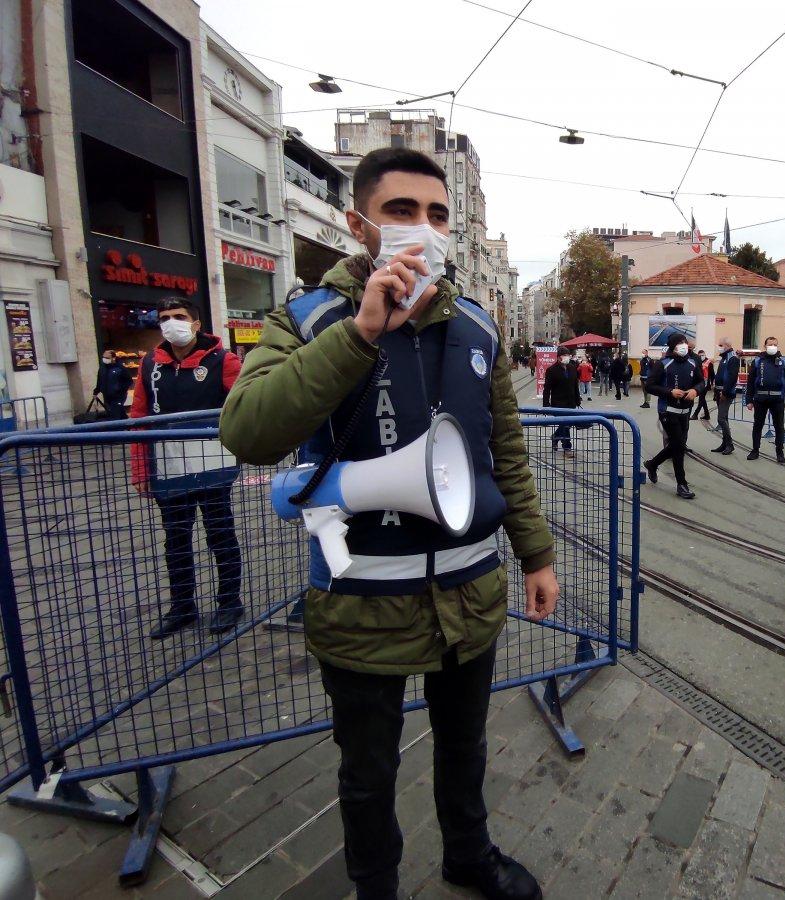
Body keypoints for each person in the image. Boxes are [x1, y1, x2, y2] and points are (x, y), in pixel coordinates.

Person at [219, 147, 557, 900]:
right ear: (359, 224)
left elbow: (504, 452)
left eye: (438, 215)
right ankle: (376, 888)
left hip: (470, 591)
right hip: (361, 600)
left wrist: (535, 554)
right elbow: (247, 431)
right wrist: (360, 335)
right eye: (402, 211)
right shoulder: (309, 319)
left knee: (464, 749)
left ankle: (468, 856)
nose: (425, 228)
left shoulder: (475, 325)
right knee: (369, 773)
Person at [131, 297, 243, 639]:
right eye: (164, 317)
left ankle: (229, 602)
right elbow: (139, 416)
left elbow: (244, 403)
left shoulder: (224, 360)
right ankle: (182, 606)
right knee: (176, 540)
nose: (170, 322)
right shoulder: (150, 362)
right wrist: (140, 469)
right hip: (169, 467)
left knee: (220, 534)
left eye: (178, 316)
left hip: (212, 465)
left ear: (196, 324)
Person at [644, 333, 704, 499]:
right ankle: (681, 484)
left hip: (685, 412)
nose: (684, 345)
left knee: (678, 445)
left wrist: (695, 390)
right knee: (678, 447)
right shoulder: (663, 364)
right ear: (673, 346)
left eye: (685, 342)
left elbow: (701, 382)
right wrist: (669, 392)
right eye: (680, 343)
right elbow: (650, 385)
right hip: (668, 411)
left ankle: (652, 464)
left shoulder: (692, 363)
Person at [746, 336, 785, 463]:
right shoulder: (757, 361)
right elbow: (750, 382)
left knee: (779, 427)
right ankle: (755, 450)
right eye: (770, 344)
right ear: (765, 346)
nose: (772, 347)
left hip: (777, 399)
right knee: (758, 425)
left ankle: (780, 452)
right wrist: (749, 400)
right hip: (760, 399)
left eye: (775, 344)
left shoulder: (784, 361)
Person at [543, 347, 582, 456]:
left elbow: (575, 385)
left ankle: (555, 437)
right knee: (565, 424)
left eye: (567, 355)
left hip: (571, 402)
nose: (566, 357)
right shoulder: (551, 370)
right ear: (558, 358)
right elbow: (547, 389)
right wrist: (546, 405)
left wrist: (578, 400)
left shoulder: (572, 368)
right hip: (558, 403)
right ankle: (567, 448)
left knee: (567, 424)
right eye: (564, 355)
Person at [710, 337, 739, 454]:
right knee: (724, 418)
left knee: (721, 418)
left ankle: (730, 444)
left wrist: (725, 392)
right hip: (719, 391)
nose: (719, 347)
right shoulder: (724, 358)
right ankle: (724, 443)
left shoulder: (732, 358)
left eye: (720, 345)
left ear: (726, 345)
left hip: (726, 393)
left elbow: (731, 378)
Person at [94, 349, 133, 420]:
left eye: (107, 358)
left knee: (115, 415)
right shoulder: (102, 369)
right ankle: (127, 425)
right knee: (118, 413)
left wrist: (120, 390)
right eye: (103, 357)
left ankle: (119, 429)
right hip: (107, 396)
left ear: (113, 358)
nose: (104, 359)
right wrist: (96, 391)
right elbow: (99, 381)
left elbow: (128, 381)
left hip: (118, 396)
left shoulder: (120, 368)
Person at [690, 350, 712, 421]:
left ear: (705, 355)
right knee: (703, 400)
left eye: (703, 355)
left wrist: (711, 384)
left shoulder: (709, 362)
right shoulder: (698, 362)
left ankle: (695, 415)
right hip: (700, 384)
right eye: (700, 355)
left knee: (701, 399)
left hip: (706, 384)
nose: (701, 356)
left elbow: (712, 374)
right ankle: (707, 415)